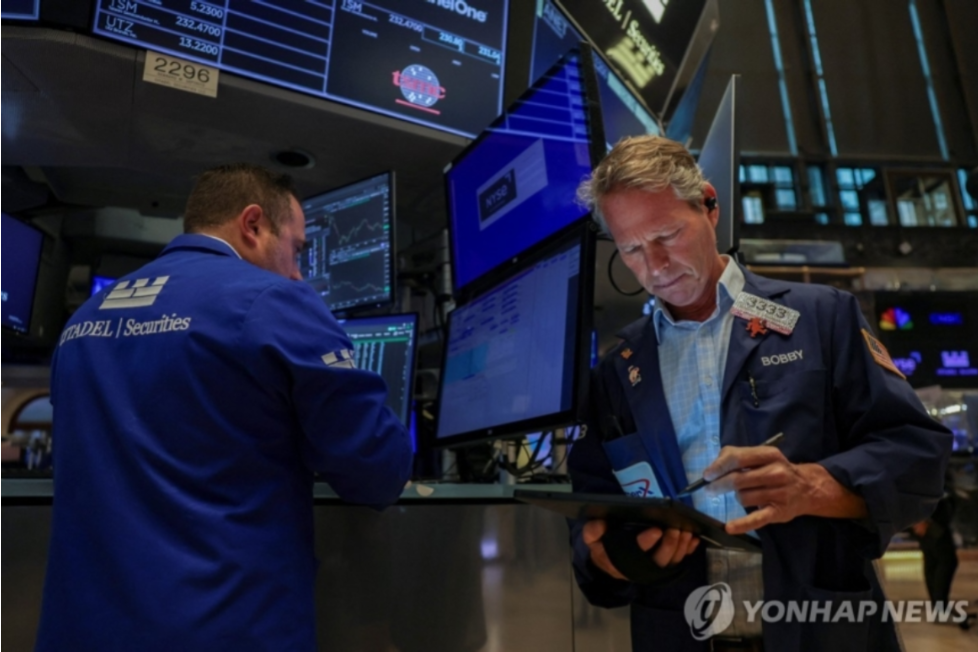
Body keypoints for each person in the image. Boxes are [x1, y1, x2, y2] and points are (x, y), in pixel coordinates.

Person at [568, 136, 952, 652]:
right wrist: (611, 556)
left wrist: (814, 486)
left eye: (668, 235)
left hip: (815, 623)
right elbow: (591, 512)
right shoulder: (618, 370)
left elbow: (918, 455)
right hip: (679, 626)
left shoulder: (821, 318)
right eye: (632, 249)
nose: (655, 265)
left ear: (709, 206)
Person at [35, 164, 414, 652]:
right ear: (253, 224)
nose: (298, 272)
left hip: (79, 631)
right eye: (297, 249)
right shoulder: (274, 301)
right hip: (223, 628)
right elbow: (376, 468)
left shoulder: (83, 321)